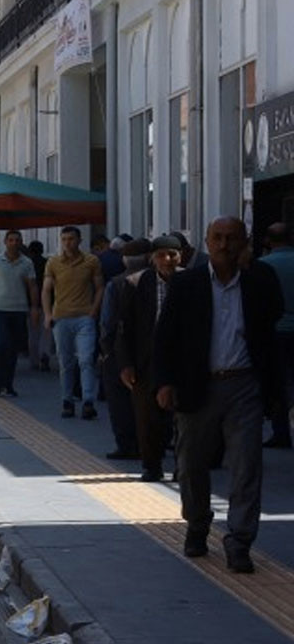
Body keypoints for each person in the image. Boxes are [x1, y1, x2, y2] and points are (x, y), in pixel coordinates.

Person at [154, 217, 283, 573]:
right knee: (191, 464)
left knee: (246, 466)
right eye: (218, 238)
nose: (224, 245)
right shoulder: (187, 283)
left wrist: (275, 391)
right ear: (207, 242)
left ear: (245, 242)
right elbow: (166, 336)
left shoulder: (260, 280)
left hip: (244, 385)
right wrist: (164, 383)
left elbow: (271, 334)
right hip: (197, 385)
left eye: (232, 239)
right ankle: (197, 524)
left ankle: (239, 540)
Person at [117, 236, 183, 481]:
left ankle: (182, 466)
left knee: (183, 418)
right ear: (152, 258)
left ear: (181, 256)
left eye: (172, 255)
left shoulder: (191, 281)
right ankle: (151, 465)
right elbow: (124, 327)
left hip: (182, 362)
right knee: (148, 418)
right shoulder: (135, 283)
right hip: (146, 361)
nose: (167, 260)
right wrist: (125, 364)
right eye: (161, 255)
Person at [43, 226, 103, 419]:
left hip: (85, 318)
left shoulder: (91, 261)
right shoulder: (53, 262)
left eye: (71, 239)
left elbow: (100, 287)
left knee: (86, 360)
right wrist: (47, 314)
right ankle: (67, 400)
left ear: (79, 240)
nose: (68, 243)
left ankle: (87, 401)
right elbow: (46, 289)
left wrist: (93, 311)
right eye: (64, 239)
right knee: (66, 362)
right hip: (61, 318)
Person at [99, 238, 150, 460]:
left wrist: (106, 351)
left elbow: (107, 322)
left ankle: (125, 445)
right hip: (148, 353)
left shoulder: (116, 284)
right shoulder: (158, 281)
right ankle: (146, 444)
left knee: (119, 403)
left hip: (120, 352)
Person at [0, 231, 40, 397]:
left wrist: (35, 308)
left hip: (19, 310)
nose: (14, 243)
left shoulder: (27, 263)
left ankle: (9, 383)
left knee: (13, 348)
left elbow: (32, 286)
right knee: (1, 345)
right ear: (5, 242)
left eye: (17, 240)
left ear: (21, 243)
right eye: (11, 240)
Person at [259, 222, 294, 448]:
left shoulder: (263, 266)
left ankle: (281, 431)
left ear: (268, 241)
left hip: (277, 332)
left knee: (280, 383)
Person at [26, 241, 51, 371]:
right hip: (47, 302)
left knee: (33, 332)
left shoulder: (27, 264)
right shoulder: (48, 263)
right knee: (46, 332)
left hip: (31, 303)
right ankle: (44, 354)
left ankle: (34, 359)